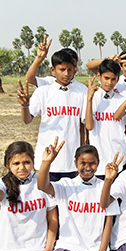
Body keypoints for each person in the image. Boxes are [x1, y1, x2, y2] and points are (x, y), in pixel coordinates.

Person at [37, 138, 121, 251]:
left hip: (95, 248)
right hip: (70, 247)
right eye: (83, 163)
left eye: (92, 163)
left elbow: (108, 222)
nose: (88, 168)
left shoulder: (105, 187)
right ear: (75, 163)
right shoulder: (66, 185)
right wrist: (46, 163)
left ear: (99, 163)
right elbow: (42, 185)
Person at [17, 49, 86, 181]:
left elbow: (83, 126)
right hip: (47, 159)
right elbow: (27, 120)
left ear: (75, 70)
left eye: (70, 70)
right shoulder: (43, 92)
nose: (66, 74)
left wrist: (81, 154)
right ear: (53, 70)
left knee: (68, 200)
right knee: (47, 199)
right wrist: (24, 105)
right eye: (62, 69)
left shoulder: (82, 91)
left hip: (71, 159)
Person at [0, 141, 57, 251]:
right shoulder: (3, 183)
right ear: (8, 164)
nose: (22, 167)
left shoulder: (42, 182)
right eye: (16, 163)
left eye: (26, 162)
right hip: (9, 250)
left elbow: (53, 220)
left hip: (36, 250)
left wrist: (47, 250)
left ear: (33, 161)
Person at [83, 59, 126, 179]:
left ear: (118, 79)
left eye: (113, 79)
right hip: (99, 159)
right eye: (106, 78)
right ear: (99, 76)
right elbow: (89, 126)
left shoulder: (122, 99)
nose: (110, 82)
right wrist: (89, 99)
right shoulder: (92, 97)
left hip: (119, 157)